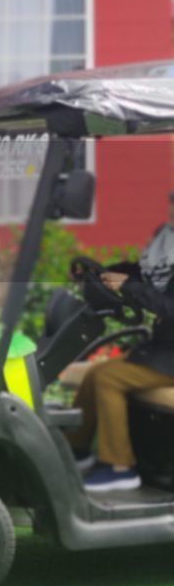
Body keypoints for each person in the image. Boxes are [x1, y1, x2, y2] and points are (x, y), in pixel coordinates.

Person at [68, 194, 174, 493]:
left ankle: (120, 467)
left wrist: (130, 286)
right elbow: (145, 275)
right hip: (163, 350)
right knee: (94, 373)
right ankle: (76, 451)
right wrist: (107, 274)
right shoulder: (166, 243)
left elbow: (167, 306)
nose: (172, 209)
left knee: (109, 378)